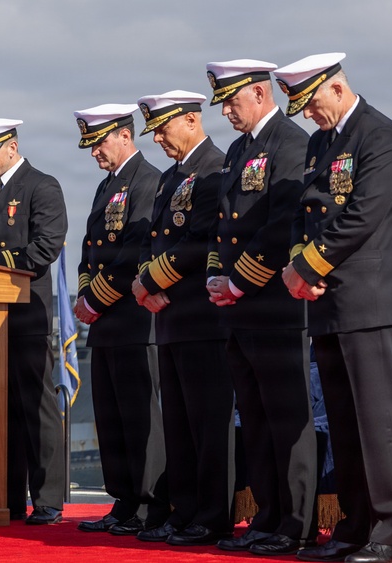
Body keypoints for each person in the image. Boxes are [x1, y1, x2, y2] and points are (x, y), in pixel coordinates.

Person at [277, 53, 392, 563]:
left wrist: (305, 267)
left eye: (312, 103)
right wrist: (300, 265)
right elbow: (304, 212)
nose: (309, 115)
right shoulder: (321, 142)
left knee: (378, 424)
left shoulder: (380, 136)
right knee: (344, 422)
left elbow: (361, 216)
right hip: (325, 300)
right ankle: (355, 528)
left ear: (336, 88)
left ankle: (391, 536)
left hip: (366, 299)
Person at [203, 59, 318, 554]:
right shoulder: (237, 150)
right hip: (237, 308)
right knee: (253, 417)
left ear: (259, 92)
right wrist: (216, 276)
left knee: (285, 417)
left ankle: (296, 525)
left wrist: (239, 281)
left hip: (273, 305)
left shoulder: (290, 143)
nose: (226, 112)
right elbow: (223, 224)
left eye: (232, 101)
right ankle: (267, 518)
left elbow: (281, 223)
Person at [130, 90, 235, 545]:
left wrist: (150, 280)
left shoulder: (214, 167)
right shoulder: (171, 176)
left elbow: (200, 240)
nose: (157, 139)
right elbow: (151, 239)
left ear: (192, 120)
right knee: (178, 424)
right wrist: (144, 283)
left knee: (208, 424)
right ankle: (185, 509)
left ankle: (212, 515)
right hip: (169, 318)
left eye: (163, 128)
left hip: (199, 315)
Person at [0, 118, 68, 525]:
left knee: (36, 408)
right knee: (2, 412)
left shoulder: (41, 186)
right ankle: (8, 498)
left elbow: (44, 250)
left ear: (12, 147)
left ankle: (48, 499)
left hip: (26, 313)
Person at [69, 104, 167, 536]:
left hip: (133, 318)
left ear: (125, 136)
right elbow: (90, 251)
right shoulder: (106, 187)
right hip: (104, 322)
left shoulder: (148, 181)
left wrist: (95, 299)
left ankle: (148, 504)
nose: (94, 152)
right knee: (111, 419)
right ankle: (124, 501)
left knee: (139, 418)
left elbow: (133, 253)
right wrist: (84, 295)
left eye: (99, 143)